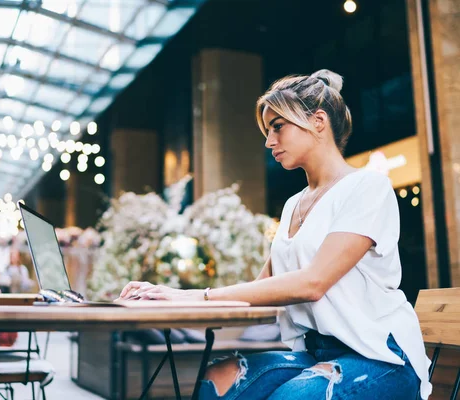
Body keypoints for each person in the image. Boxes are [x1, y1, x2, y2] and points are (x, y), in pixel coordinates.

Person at [118, 70, 431, 400]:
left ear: (319, 121)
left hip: (381, 355)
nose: (269, 142)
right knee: (216, 379)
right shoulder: (294, 204)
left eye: (278, 127)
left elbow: (312, 283)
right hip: (317, 354)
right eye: (268, 131)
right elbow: (259, 288)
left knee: (291, 396)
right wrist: (174, 296)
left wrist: (195, 297)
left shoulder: (367, 186)